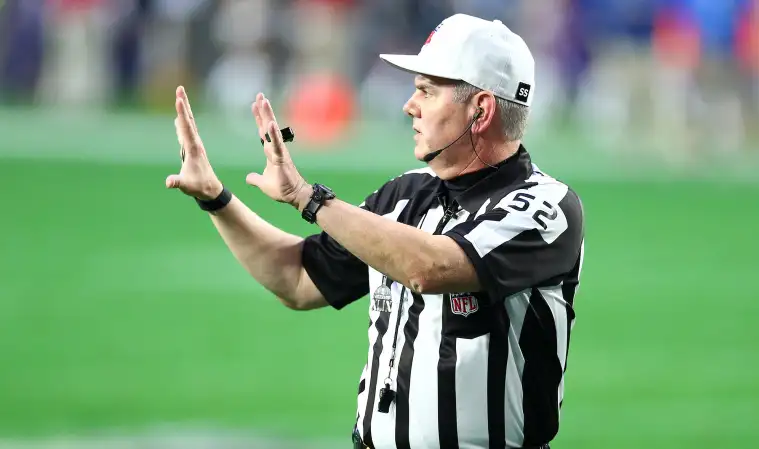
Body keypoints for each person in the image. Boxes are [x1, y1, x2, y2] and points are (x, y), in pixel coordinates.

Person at [167, 13, 585, 449]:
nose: (410, 105)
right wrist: (215, 199)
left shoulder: (547, 206)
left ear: (480, 109)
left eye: (427, 90)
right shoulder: (404, 196)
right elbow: (296, 279)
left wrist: (308, 198)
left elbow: (432, 267)